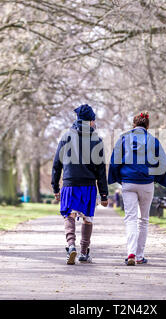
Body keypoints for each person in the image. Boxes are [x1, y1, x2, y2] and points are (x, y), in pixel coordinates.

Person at [108, 111, 166, 266]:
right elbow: (164, 162)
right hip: (146, 183)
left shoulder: (123, 138)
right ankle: (139, 256)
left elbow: (114, 161)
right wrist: (156, 177)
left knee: (130, 218)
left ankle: (130, 252)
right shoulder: (153, 141)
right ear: (147, 126)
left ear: (134, 125)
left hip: (128, 182)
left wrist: (118, 178)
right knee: (143, 220)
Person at [51, 104, 108, 265]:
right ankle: (83, 252)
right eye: (93, 120)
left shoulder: (66, 137)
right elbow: (101, 170)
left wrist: (55, 186)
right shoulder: (96, 140)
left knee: (69, 214)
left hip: (69, 184)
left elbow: (57, 164)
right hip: (88, 185)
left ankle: (70, 246)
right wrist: (103, 194)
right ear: (90, 121)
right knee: (87, 219)